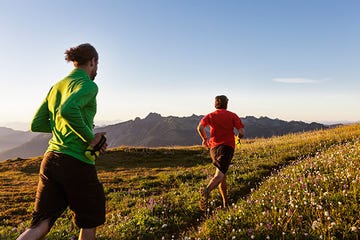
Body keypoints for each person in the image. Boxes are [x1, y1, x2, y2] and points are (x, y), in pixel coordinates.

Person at [17, 43, 107, 240]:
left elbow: (37, 123)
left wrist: (62, 127)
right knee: (89, 221)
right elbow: (68, 110)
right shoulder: (89, 85)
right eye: (97, 64)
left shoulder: (56, 86)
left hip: (50, 160)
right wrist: (89, 136)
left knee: (41, 224)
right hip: (76, 161)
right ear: (93, 62)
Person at [197, 95, 244, 211]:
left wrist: (204, 138)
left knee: (222, 176)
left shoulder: (210, 116)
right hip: (227, 147)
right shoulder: (232, 115)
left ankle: (225, 203)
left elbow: (200, 127)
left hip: (213, 149)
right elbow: (241, 132)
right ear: (226, 104)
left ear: (215, 104)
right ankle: (206, 191)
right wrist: (238, 137)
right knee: (219, 175)